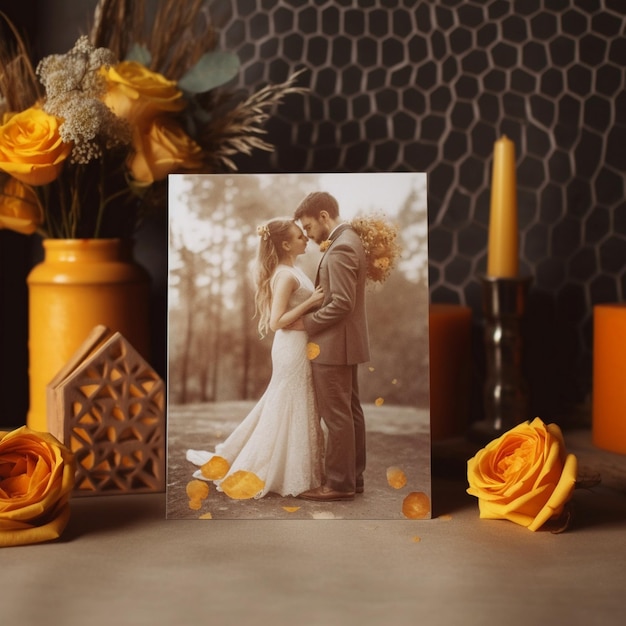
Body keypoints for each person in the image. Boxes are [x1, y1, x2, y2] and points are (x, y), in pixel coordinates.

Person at [186, 218, 325, 498]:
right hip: (291, 346)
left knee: (295, 403)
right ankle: (275, 469)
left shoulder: (293, 270)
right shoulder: (285, 276)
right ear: (286, 244)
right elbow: (275, 322)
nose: (306, 239)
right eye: (300, 236)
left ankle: (294, 465)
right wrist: (312, 302)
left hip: (300, 342)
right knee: (290, 403)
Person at [292, 191, 370, 502]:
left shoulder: (340, 249)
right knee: (350, 413)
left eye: (309, 227)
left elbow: (341, 303)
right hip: (345, 344)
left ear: (324, 216)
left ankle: (338, 484)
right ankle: (353, 479)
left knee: (336, 416)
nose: (308, 235)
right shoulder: (350, 241)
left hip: (333, 346)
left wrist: (306, 323)